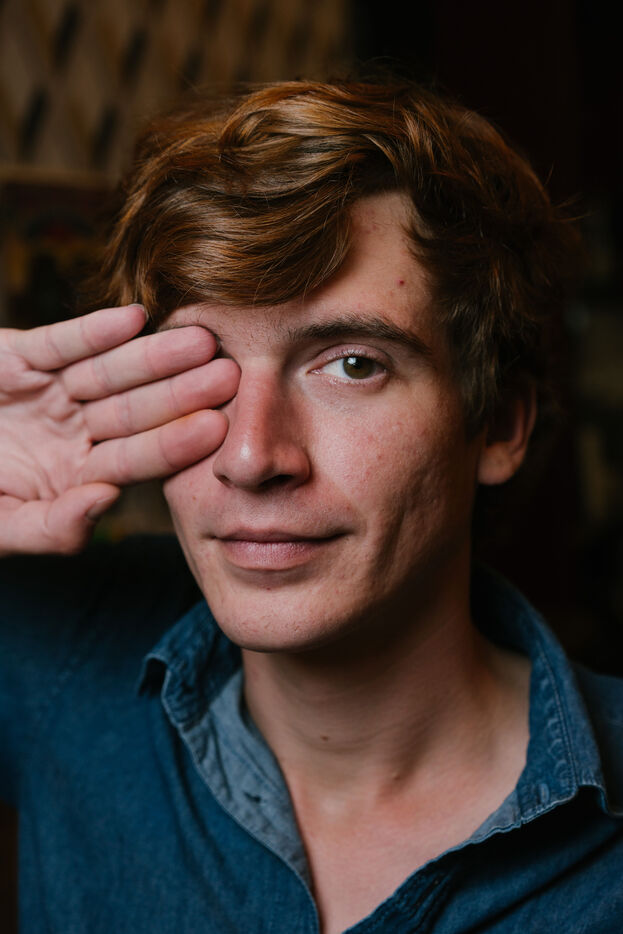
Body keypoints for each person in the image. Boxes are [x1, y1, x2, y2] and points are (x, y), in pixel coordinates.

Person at [1, 79, 622, 934]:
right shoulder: (61, 651)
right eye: (198, 369)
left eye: (353, 365)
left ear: (498, 424)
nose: (253, 457)